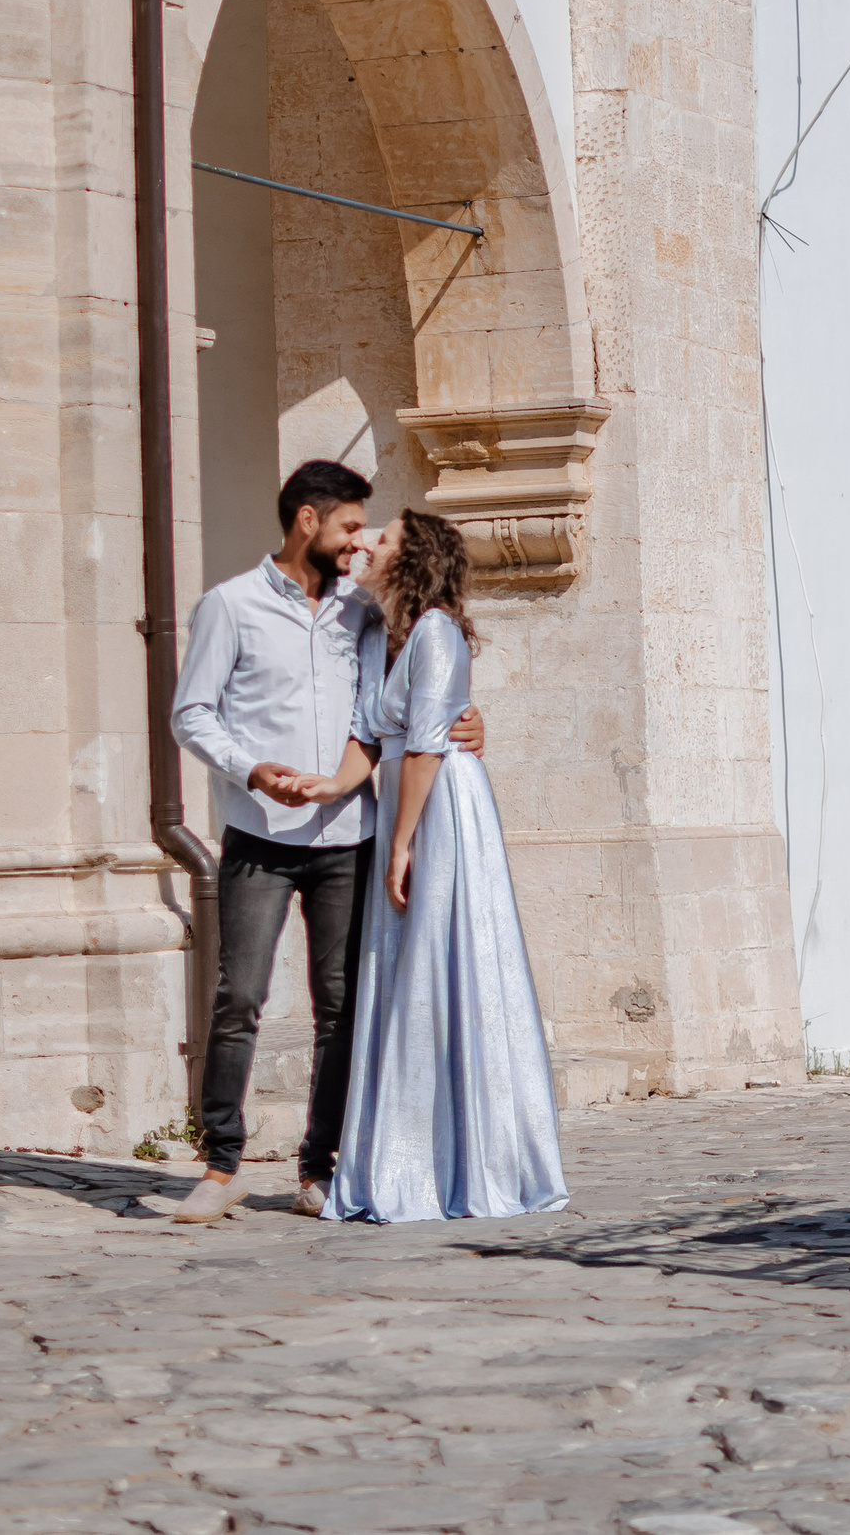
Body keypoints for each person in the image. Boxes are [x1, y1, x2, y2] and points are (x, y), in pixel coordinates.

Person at [167, 460, 483, 1222]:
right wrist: (250, 770)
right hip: (260, 832)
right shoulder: (230, 607)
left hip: (350, 836)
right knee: (238, 996)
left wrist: (469, 722)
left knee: (340, 1004)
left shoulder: (363, 613)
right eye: (347, 526)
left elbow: (409, 692)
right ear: (306, 519)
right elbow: (192, 713)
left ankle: (320, 1167)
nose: (356, 543)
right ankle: (220, 1164)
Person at [302, 506, 567, 1224]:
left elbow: (424, 746)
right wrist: (329, 787)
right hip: (405, 803)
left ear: (411, 558)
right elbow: (369, 732)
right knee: (406, 968)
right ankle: (411, 1151)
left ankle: (464, 1159)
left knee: (442, 959)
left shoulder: (437, 632)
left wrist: (401, 844)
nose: (367, 544)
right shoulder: (376, 635)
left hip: (440, 806)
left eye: (381, 538)